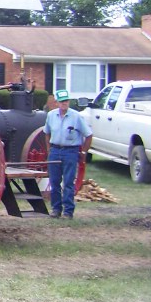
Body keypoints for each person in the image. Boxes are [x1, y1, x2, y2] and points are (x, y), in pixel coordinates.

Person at [43, 89, 93, 219]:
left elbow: (88, 135)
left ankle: (68, 211)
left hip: (70, 151)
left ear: (69, 101)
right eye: (61, 101)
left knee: (68, 183)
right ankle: (56, 209)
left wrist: (83, 152)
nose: (64, 103)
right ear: (56, 103)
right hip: (55, 150)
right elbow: (47, 133)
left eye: (66, 101)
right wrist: (49, 150)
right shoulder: (51, 115)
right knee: (54, 182)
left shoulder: (76, 116)